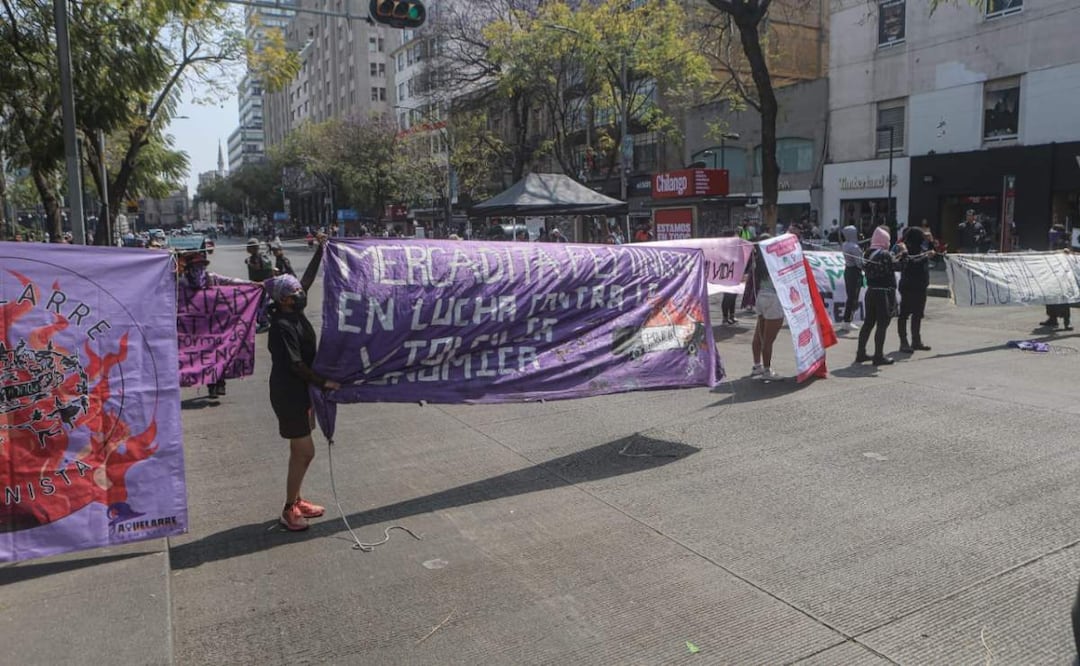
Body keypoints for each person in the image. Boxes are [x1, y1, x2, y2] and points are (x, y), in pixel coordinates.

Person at [264, 233, 340, 531]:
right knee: (305, 451)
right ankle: (287, 510)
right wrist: (324, 383)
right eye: (296, 293)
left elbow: (305, 279)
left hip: (301, 392)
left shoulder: (292, 307)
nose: (302, 294)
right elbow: (296, 365)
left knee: (300, 452)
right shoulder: (282, 325)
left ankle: (296, 500)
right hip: (290, 394)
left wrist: (322, 250)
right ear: (284, 299)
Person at [178, 249, 254, 398]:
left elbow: (231, 281)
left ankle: (220, 383)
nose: (198, 270)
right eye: (194, 267)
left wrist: (252, 284)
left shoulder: (211, 278)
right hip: (196, 329)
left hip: (215, 325)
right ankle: (211, 386)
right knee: (205, 355)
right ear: (188, 269)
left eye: (201, 266)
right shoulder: (182, 283)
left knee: (218, 354)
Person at [856, 226, 907, 366]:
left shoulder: (867, 253)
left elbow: (886, 265)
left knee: (868, 323)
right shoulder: (884, 254)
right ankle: (878, 356)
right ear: (884, 240)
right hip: (883, 293)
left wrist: (895, 257)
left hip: (871, 291)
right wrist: (904, 252)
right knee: (882, 324)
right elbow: (899, 267)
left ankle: (860, 353)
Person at [747, 234, 784, 380]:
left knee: (759, 334)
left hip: (761, 297)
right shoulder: (774, 260)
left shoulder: (757, 260)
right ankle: (767, 371)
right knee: (768, 340)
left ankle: (757, 366)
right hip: (773, 299)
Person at [897, 227, 936, 353]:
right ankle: (903, 342)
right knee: (904, 315)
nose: (922, 239)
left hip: (921, 286)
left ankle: (916, 341)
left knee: (918, 314)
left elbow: (931, 252)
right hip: (909, 287)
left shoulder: (921, 248)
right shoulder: (905, 249)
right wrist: (925, 257)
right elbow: (910, 263)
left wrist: (930, 242)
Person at [1041, 223, 1073, 330]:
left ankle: (1066, 322)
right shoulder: (1052, 243)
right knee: (1050, 296)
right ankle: (1052, 318)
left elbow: (1071, 256)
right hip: (1052, 273)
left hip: (1063, 275)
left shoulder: (1066, 243)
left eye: (1054, 230)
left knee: (1064, 299)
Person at [840, 225, 864, 331]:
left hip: (848, 271)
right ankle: (847, 321)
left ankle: (847, 320)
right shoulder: (854, 247)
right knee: (853, 297)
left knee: (850, 296)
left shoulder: (845, 244)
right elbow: (859, 264)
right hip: (855, 272)